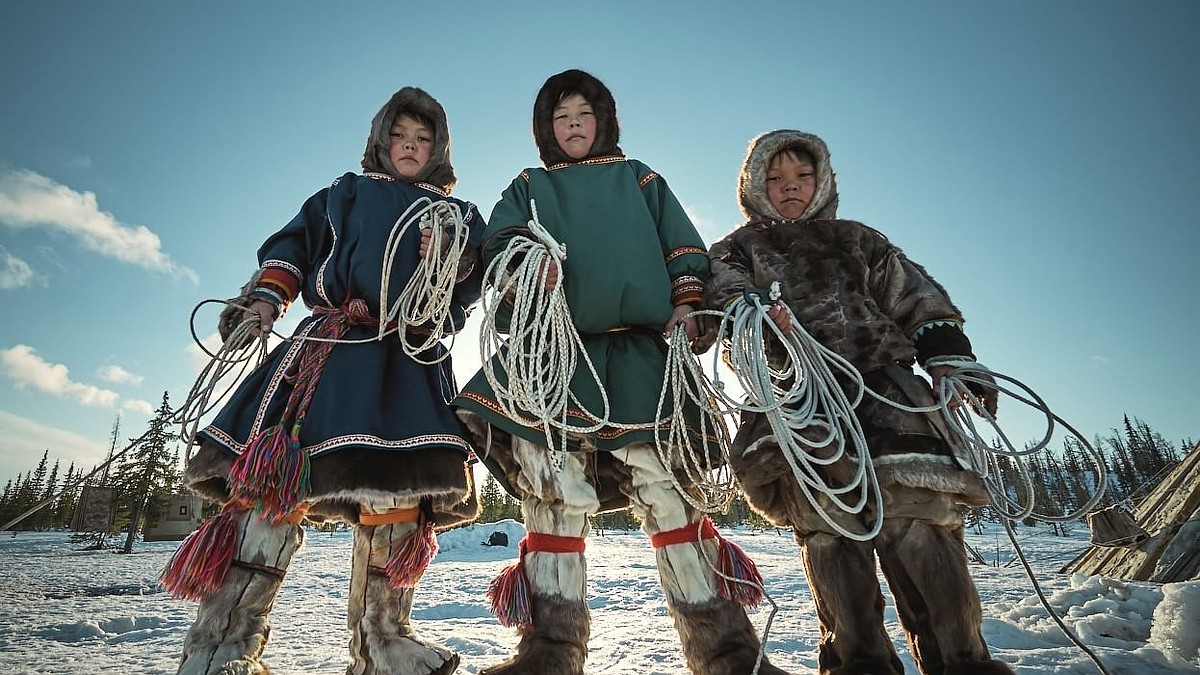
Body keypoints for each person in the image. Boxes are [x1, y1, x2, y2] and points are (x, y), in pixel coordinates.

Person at [452, 69, 793, 675]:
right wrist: (526, 265)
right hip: (552, 357)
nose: (574, 124)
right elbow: (499, 245)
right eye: (562, 117)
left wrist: (688, 300)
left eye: (585, 114)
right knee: (552, 493)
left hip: (641, 357)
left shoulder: (640, 178)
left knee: (672, 494)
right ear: (545, 129)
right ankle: (549, 654)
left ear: (604, 120)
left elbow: (681, 246)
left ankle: (728, 653)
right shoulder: (529, 185)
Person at [163, 86, 485, 675]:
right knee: (270, 490)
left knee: (398, 501)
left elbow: (469, 287)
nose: (410, 148)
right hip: (329, 351)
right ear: (380, 142)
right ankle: (223, 644)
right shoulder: (342, 195)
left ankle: (384, 643)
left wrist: (447, 275)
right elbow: (294, 250)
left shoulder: (459, 216)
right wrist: (262, 302)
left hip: (407, 359)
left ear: (439, 148)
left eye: (423, 140)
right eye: (400, 138)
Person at [698, 129, 1013, 675]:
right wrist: (755, 322)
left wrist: (948, 355)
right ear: (752, 187)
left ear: (822, 182)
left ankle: (961, 661)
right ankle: (857, 662)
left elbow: (916, 298)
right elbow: (725, 300)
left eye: (802, 177)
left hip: (889, 397)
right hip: (801, 405)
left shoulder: (859, 240)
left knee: (921, 524)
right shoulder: (737, 249)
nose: (789, 188)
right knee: (829, 533)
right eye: (774, 180)